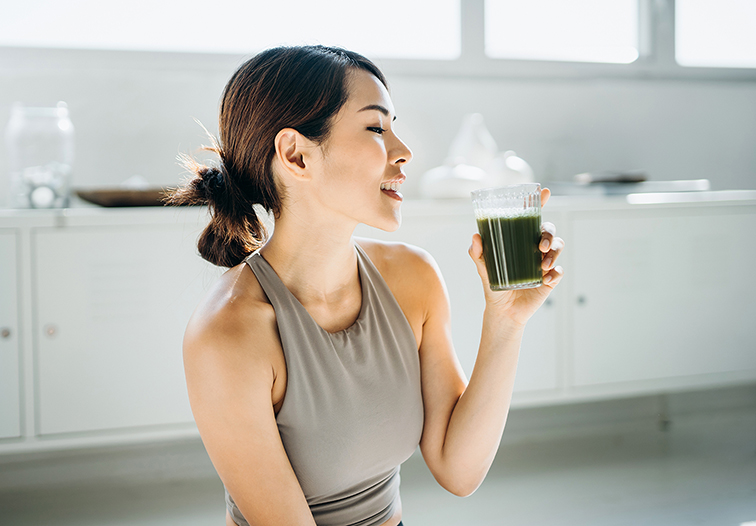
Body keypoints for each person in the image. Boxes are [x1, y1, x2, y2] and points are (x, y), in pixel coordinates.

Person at [171, 45, 565, 526]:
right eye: (377, 128)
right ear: (296, 154)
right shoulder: (228, 334)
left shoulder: (412, 279)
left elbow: (458, 469)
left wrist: (505, 320)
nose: (404, 151)